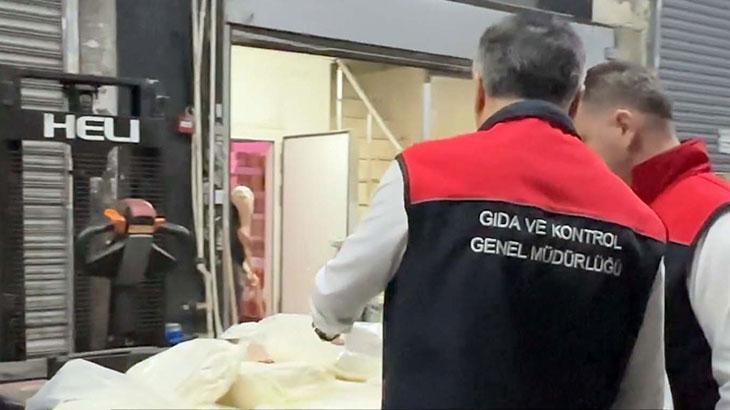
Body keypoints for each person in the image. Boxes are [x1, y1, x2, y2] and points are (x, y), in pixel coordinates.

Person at [311, 13, 667, 408]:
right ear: (576, 101)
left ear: (479, 89)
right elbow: (645, 395)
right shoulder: (639, 225)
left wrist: (325, 325)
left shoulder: (422, 176)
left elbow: (333, 300)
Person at [574, 60, 730, 410]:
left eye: (583, 140)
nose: (578, 156)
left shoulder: (716, 221)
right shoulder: (633, 215)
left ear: (624, 127)